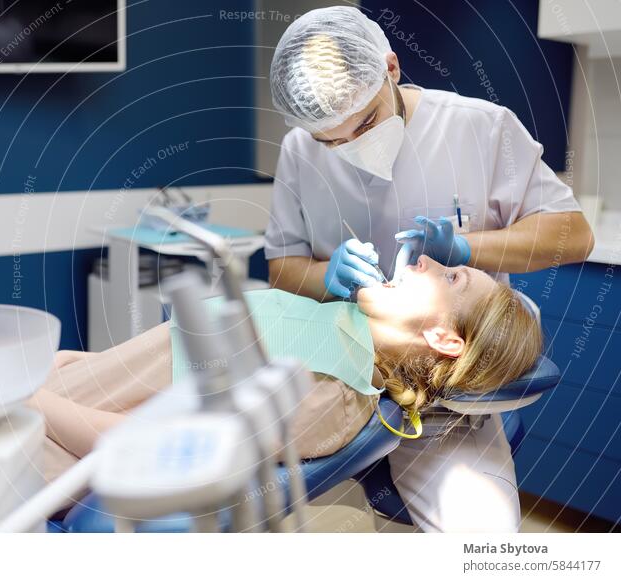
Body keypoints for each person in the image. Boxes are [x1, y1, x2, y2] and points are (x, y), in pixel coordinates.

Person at [263, 5, 594, 532]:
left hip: (440, 401)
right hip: (337, 370)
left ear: (391, 68)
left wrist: (466, 249)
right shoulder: (299, 149)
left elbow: (574, 235)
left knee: (483, 540)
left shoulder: (482, 128)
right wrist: (328, 277)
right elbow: (283, 268)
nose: (351, 146)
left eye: (366, 122)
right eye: (332, 140)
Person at [30, 256, 542, 528]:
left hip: (34, 456)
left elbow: (142, 447)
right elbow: (155, 368)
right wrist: (57, 369)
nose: (426, 259)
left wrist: (23, 398)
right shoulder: (339, 327)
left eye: (451, 276)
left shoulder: (325, 395)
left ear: (444, 338)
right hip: (55, 398)